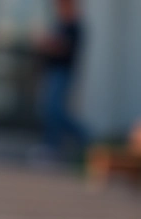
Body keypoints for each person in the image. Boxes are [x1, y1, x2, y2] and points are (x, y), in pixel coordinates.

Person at [35, 0, 87, 158]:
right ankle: (54, 145)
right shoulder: (61, 24)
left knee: (55, 111)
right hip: (54, 71)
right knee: (51, 111)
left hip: (62, 72)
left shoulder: (73, 26)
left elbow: (63, 48)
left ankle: (82, 140)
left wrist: (48, 44)